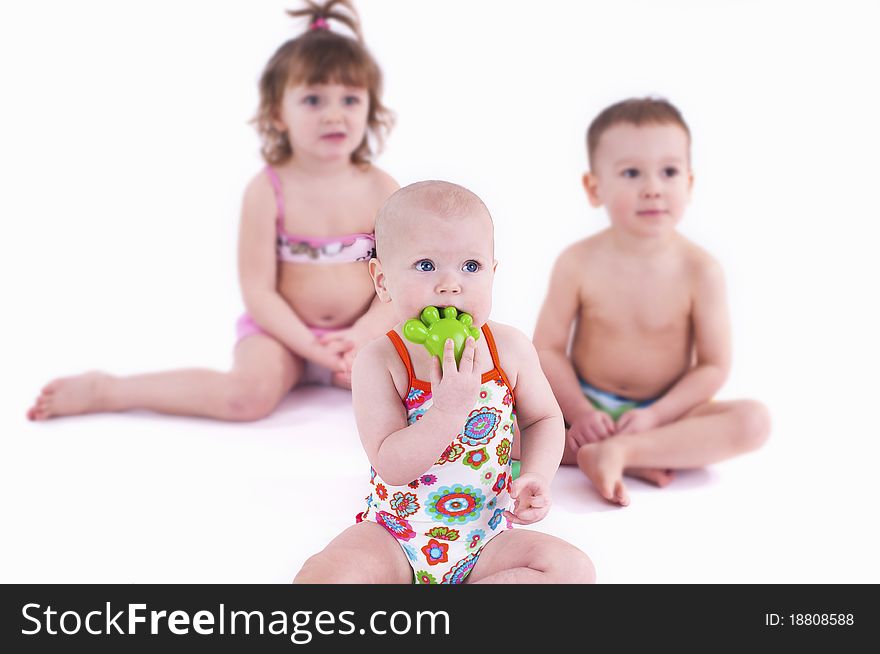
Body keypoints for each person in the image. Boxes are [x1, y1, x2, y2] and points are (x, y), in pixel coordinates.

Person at [27, 0, 399, 422]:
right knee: (245, 397)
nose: (334, 114)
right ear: (278, 113)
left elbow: (398, 282)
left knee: (412, 378)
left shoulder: (383, 189)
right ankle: (111, 389)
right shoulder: (267, 190)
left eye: (350, 99)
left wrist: (361, 334)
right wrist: (311, 347)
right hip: (281, 334)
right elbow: (258, 292)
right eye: (313, 100)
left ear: (369, 107)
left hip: (361, 331)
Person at [294, 181, 596, 584]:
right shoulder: (381, 361)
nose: (450, 285)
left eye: (471, 267)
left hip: (485, 537)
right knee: (321, 578)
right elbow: (391, 465)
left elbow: (542, 419)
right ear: (382, 281)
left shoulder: (509, 348)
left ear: (493, 272)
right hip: (395, 535)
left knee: (573, 570)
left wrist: (537, 475)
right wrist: (448, 410)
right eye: (425, 265)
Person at [532, 98, 771, 506]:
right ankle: (595, 448)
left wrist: (656, 416)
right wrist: (582, 412)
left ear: (689, 184)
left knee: (754, 422)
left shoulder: (702, 270)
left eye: (669, 171)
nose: (652, 187)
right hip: (581, 404)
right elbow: (548, 349)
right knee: (494, 424)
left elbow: (714, 365)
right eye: (631, 172)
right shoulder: (577, 262)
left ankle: (623, 451)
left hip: (665, 412)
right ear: (594, 188)